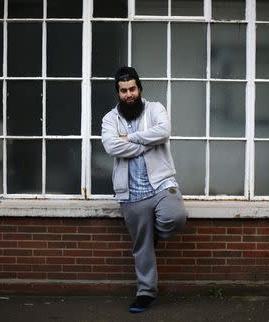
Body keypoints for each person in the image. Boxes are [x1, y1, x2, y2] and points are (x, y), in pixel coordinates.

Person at [101, 66, 187, 313]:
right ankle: (146, 292)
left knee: (175, 217)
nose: (129, 94)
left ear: (139, 88)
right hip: (131, 192)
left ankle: (156, 234)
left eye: (132, 89)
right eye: (123, 90)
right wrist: (145, 144)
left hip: (161, 183)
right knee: (142, 246)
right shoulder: (110, 119)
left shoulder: (155, 108)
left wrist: (132, 138)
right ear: (118, 92)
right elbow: (111, 147)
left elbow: (164, 131)